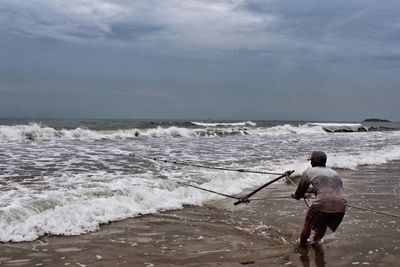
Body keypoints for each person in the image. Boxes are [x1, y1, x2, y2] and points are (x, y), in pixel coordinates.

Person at [291, 151, 346, 244]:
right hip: (341, 204)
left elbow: (300, 192)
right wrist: (309, 191)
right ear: (324, 162)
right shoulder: (334, 173)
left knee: (307, 224)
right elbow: (326, 188)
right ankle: (316, 243)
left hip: (322, 203)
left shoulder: (309, 171)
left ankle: (303, 245)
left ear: (312, 162)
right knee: (323, 224)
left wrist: (296, 196)